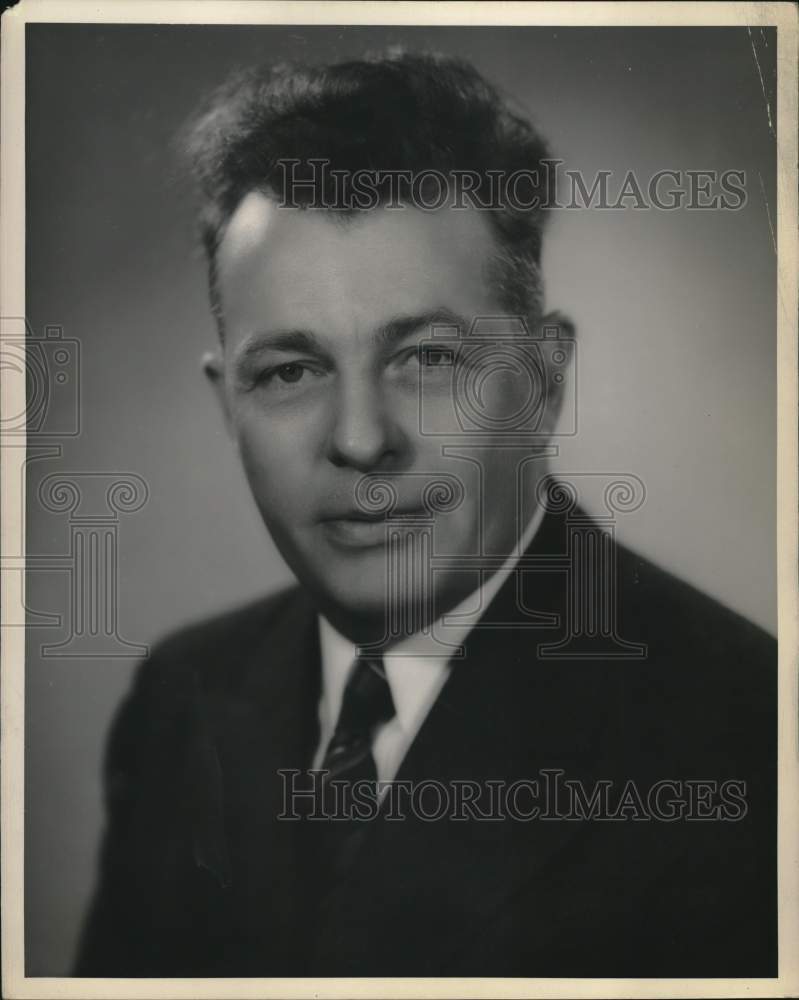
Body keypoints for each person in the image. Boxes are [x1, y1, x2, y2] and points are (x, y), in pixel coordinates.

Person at [74, 50, 776, 978]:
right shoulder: (181, 700)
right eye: (290, 371)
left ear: (542, 377)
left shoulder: (750, 737)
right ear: (226, 406)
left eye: (428, 359)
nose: (361, 440)